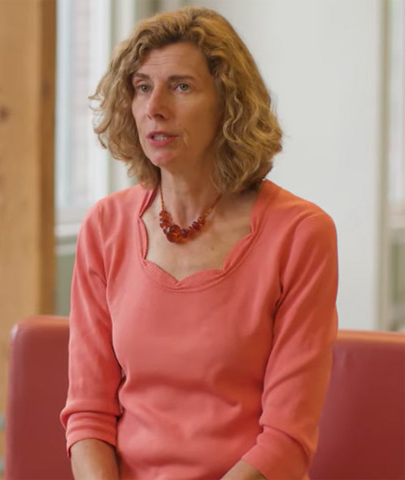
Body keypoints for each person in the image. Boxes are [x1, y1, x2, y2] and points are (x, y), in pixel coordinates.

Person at [60, 6, 338, 480]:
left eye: (181, 86)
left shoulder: (301, 233)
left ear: (229, 103)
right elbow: (88, 415)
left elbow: (288, 438)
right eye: (142, 87)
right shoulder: (104, 226)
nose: (155, 107)